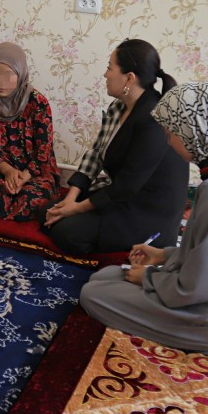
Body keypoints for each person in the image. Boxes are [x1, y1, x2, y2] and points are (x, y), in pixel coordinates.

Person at [79, 80, 208, 354]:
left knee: (92, 294)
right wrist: (164, 256)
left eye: (171, 132)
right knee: (106, 276)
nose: (168, 141)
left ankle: (197, 341)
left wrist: (149, 278)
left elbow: (196, 289)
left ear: (198, 130)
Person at [38, 39, 189, 254]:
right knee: (46, 212)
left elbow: (127, 186)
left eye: (109, 68)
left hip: (144, 210)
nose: (105, 75)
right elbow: (95, 153)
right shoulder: (119, 106)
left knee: (65, 232)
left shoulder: (153, 120)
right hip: (119, 195)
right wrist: (70, 199)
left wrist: (76, 209)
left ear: (129, 78)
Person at [0, 42, 59, 221]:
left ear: (20, 73)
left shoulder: (38, 103)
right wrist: (7, 171)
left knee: (30, 202)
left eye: (8, 74)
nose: (1, 82)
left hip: (34, 173)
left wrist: (23, 177)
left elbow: (43, 152)